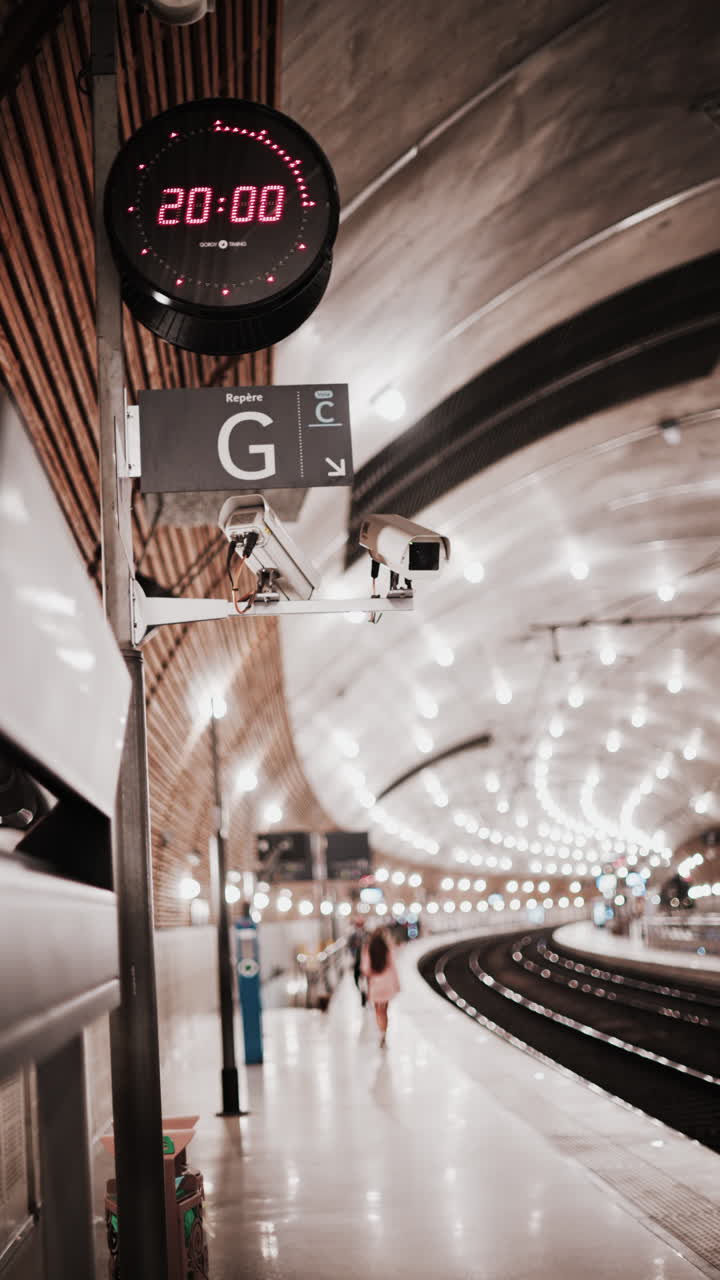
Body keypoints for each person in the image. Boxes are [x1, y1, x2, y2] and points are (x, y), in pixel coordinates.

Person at [361, 926, 400, 1048]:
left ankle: (381, 1031)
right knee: (386, 1009)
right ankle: (385, 1031)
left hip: (375, 983)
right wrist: (397, 984)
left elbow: (365, 969)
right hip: (387, 982)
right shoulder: (387, 948)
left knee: (378, 1010)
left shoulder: (368, 948)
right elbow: (393, 967)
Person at [347, 918, 367, 1007]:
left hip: (366, 961)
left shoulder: (367, 934)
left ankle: (365, 994)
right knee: (356, 979)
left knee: (365, 978)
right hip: (357, 960)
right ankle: (362, 992)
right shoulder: (352, 936)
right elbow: (349, 947)